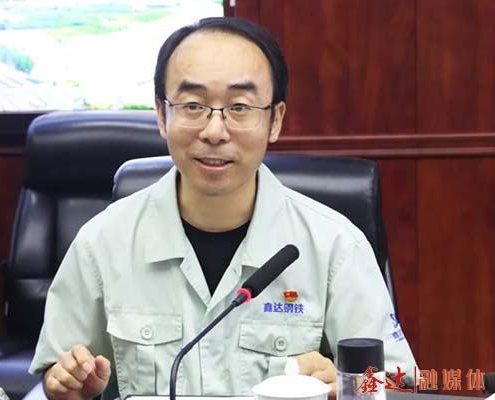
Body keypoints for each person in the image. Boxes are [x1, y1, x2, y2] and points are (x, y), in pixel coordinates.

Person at [29, 16, 417, 400]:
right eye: (193, 105)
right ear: (162, 115)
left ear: (275, 120)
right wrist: (69, 385)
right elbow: (56, 376)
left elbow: (404, 383)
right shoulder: (102, 241)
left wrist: (347, 385)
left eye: (240, 106)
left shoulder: (335, 245)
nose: (214, 131)